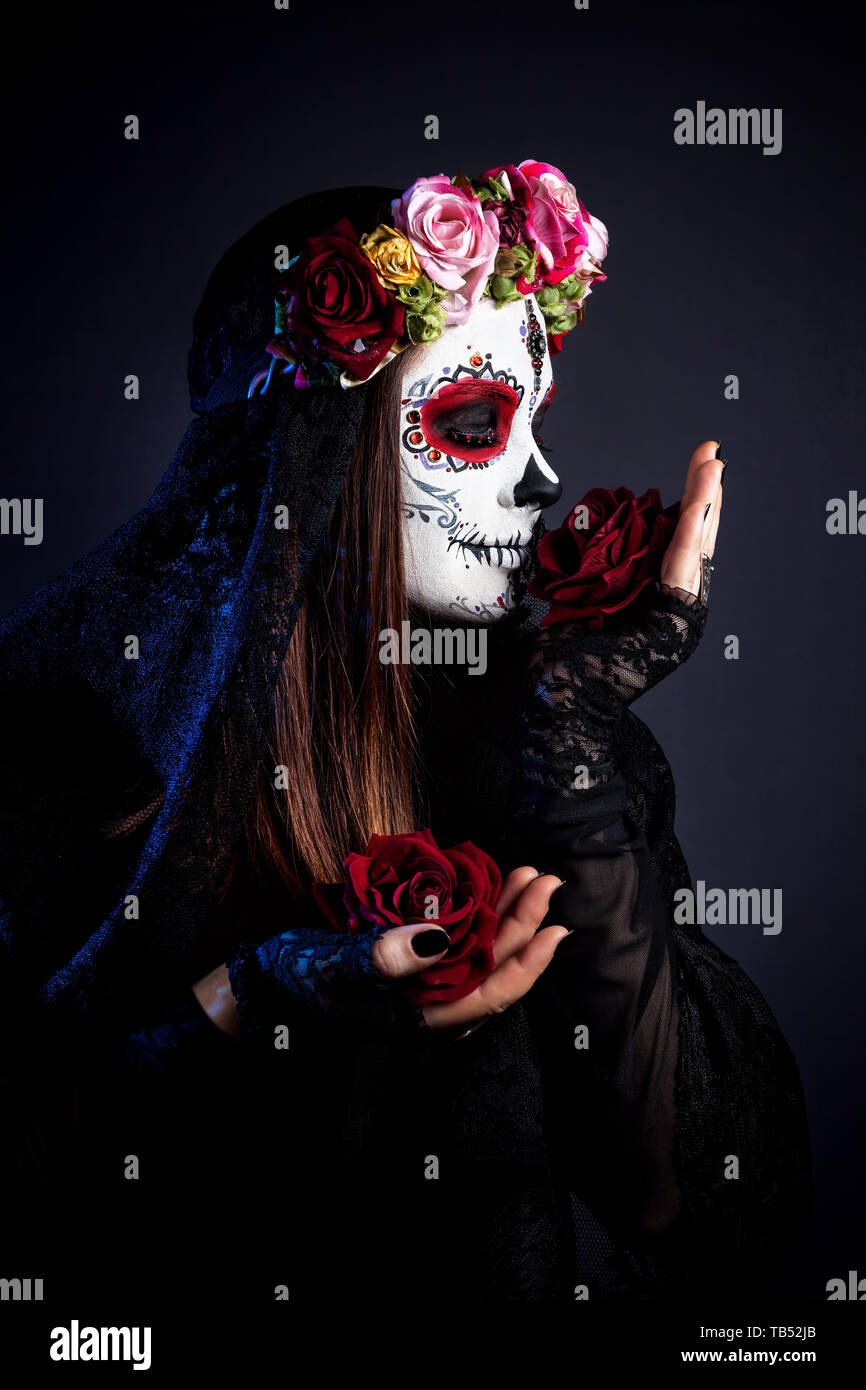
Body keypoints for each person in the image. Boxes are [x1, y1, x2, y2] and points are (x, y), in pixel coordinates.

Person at [0, 165, 809, 1307]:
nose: (539, 475)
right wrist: (258, 998)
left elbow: (682, 1208)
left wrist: (568, 733)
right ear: (311, 448)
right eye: (473, 421)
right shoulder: (66, 735)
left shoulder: (530, 736)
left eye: (535, 417)